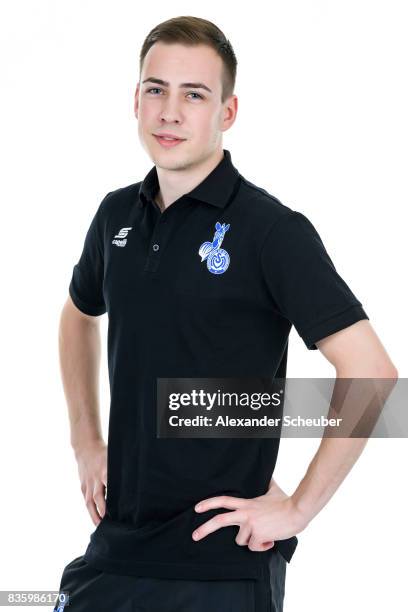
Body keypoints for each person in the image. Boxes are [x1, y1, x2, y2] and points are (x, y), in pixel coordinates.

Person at [54, 15, 398, 612]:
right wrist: (87, 439)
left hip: (219, 562)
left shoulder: (272, 232)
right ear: (135, 100)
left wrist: (297, 511)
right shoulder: (115, 217)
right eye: (156, 90)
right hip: (116, 548)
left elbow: (373, 375)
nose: (170, 112)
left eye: (195, 95)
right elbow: (78, 316)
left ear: (227, 113)